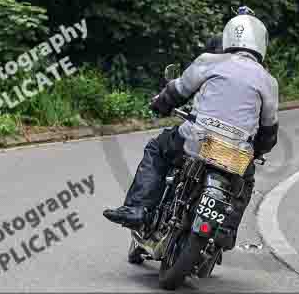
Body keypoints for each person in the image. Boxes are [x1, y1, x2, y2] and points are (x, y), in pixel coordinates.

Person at [103, 13, 279, 251]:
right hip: (236, 151)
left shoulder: (210, 61)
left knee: (157, 149)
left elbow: (178, 89)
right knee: (244, 182)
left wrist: (161, 104)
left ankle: (137, 208)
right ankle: (226, 232)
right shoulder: (268, 81)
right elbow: (268, 130)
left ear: (227, 37)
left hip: (196, 139)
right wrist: (256, 150)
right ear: (261, 44)